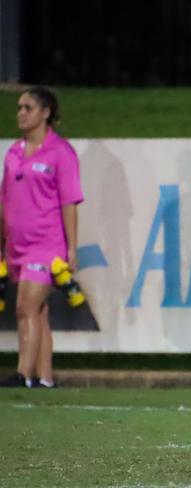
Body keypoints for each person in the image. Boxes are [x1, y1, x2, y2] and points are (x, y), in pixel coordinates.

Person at [0, 87, 84, 388]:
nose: (20, 113)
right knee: (39, 312)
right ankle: (45, 378)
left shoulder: (60, 153)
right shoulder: (13, 152)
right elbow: (4, 201)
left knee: (25, 307)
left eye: (28, 107)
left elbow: (69, 202)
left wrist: (72, 247)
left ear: (45, 112)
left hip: (45, 245)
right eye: (19, 107)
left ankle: (23, 374)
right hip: (17, 246)